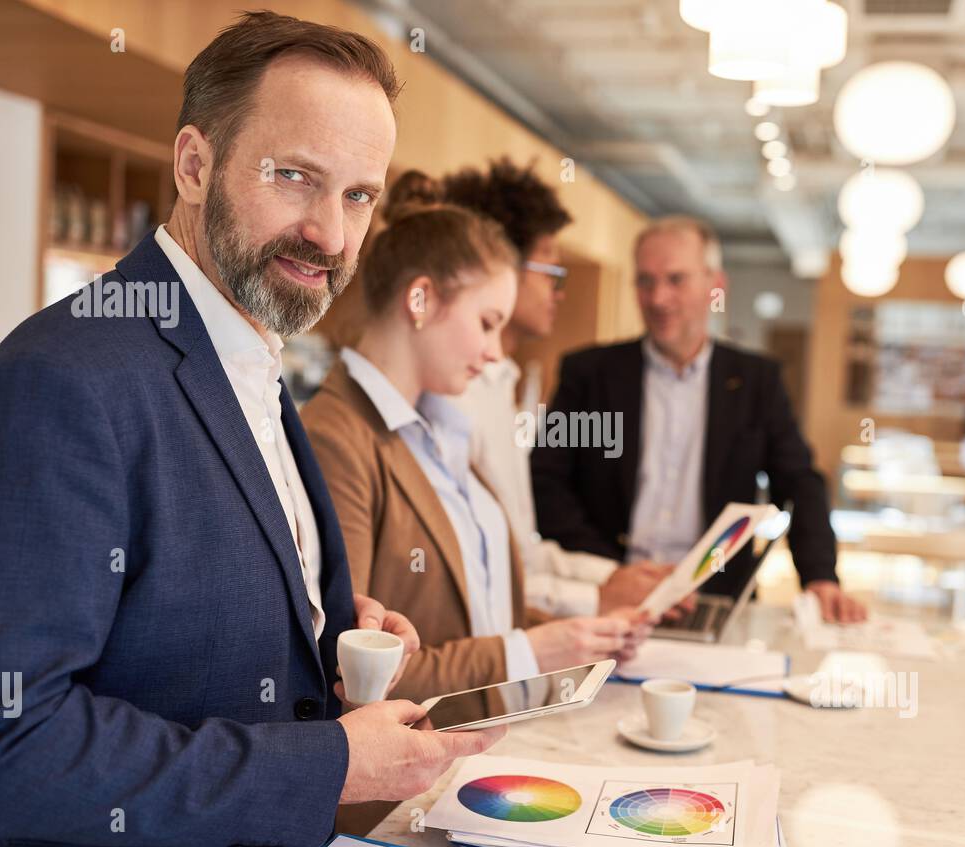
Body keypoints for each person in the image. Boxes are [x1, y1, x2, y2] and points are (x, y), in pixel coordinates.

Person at [0, 12, 502, 847]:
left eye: (357, 195)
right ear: (195, 164)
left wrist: (313, 622)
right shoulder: (57, 383)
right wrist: (330, 763)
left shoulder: (250, 361)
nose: (331, 236)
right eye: (294, 177)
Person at [302, 172, 647, 720]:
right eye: (486, 324)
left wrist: (576, 636)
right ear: (420, 299)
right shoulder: (338, 436)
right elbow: (355, 671)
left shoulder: (439, 429)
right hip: (408, 781)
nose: (493, 353)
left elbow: (478, 615)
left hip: (484, 746)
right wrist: (532, 649)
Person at [532, 216, 867, 623]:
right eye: (645, 281)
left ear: (716, 286)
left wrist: (820, 576)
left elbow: (798, 481)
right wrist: (613, 574)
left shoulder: (756, 382)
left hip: (714, 600)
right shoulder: (590, 376)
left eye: (676, 280)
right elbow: (548, 483)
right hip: (604, 595)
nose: (658, 298)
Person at [442, 157, 672, 618]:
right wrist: (598, 596)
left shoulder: (500, 380)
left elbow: (521, 553)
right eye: (553, 272)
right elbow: (472, 574)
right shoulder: (456, 392)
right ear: (502, 266)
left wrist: (614, 578)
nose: (560, 292)